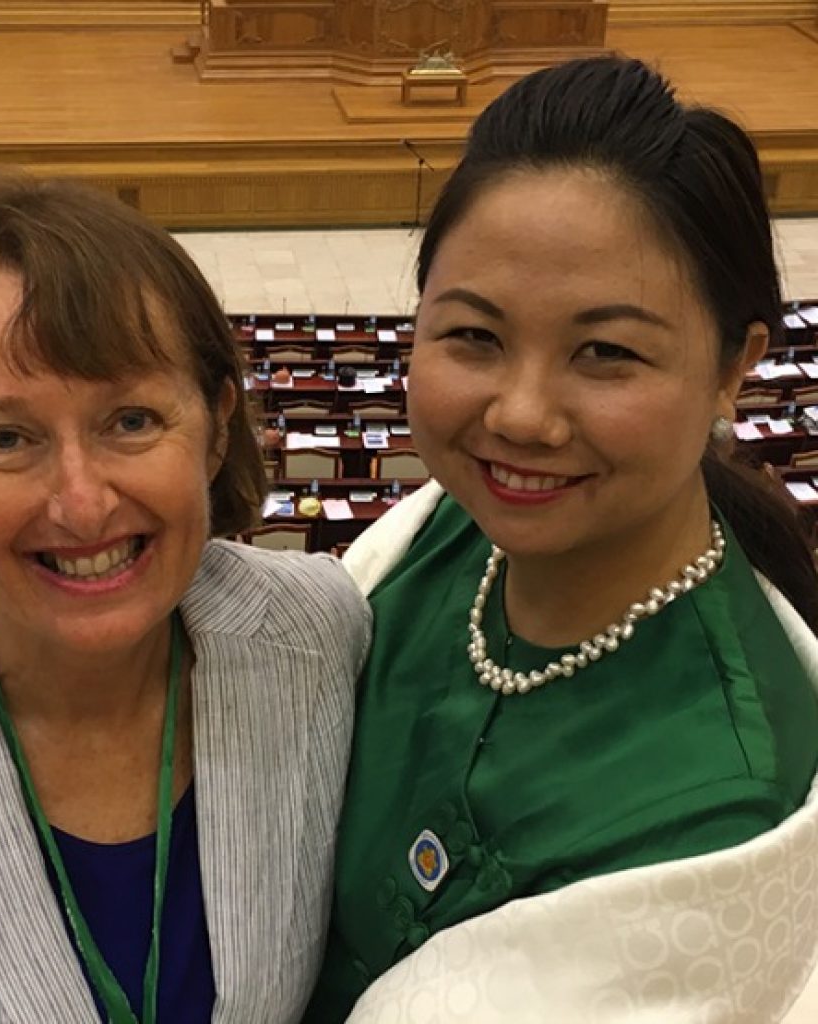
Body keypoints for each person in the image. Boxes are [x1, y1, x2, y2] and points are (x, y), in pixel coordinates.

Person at [306, 57, 818, 1023]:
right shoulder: (442, 532)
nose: (523, 416)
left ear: (734, 365)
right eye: (474, 336)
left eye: (607, 353)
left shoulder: (716, 816)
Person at [0, 171, 370, 1024]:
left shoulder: (325, 632)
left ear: (216, 425)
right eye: (6, 437)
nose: (81, 503)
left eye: (130, 420)